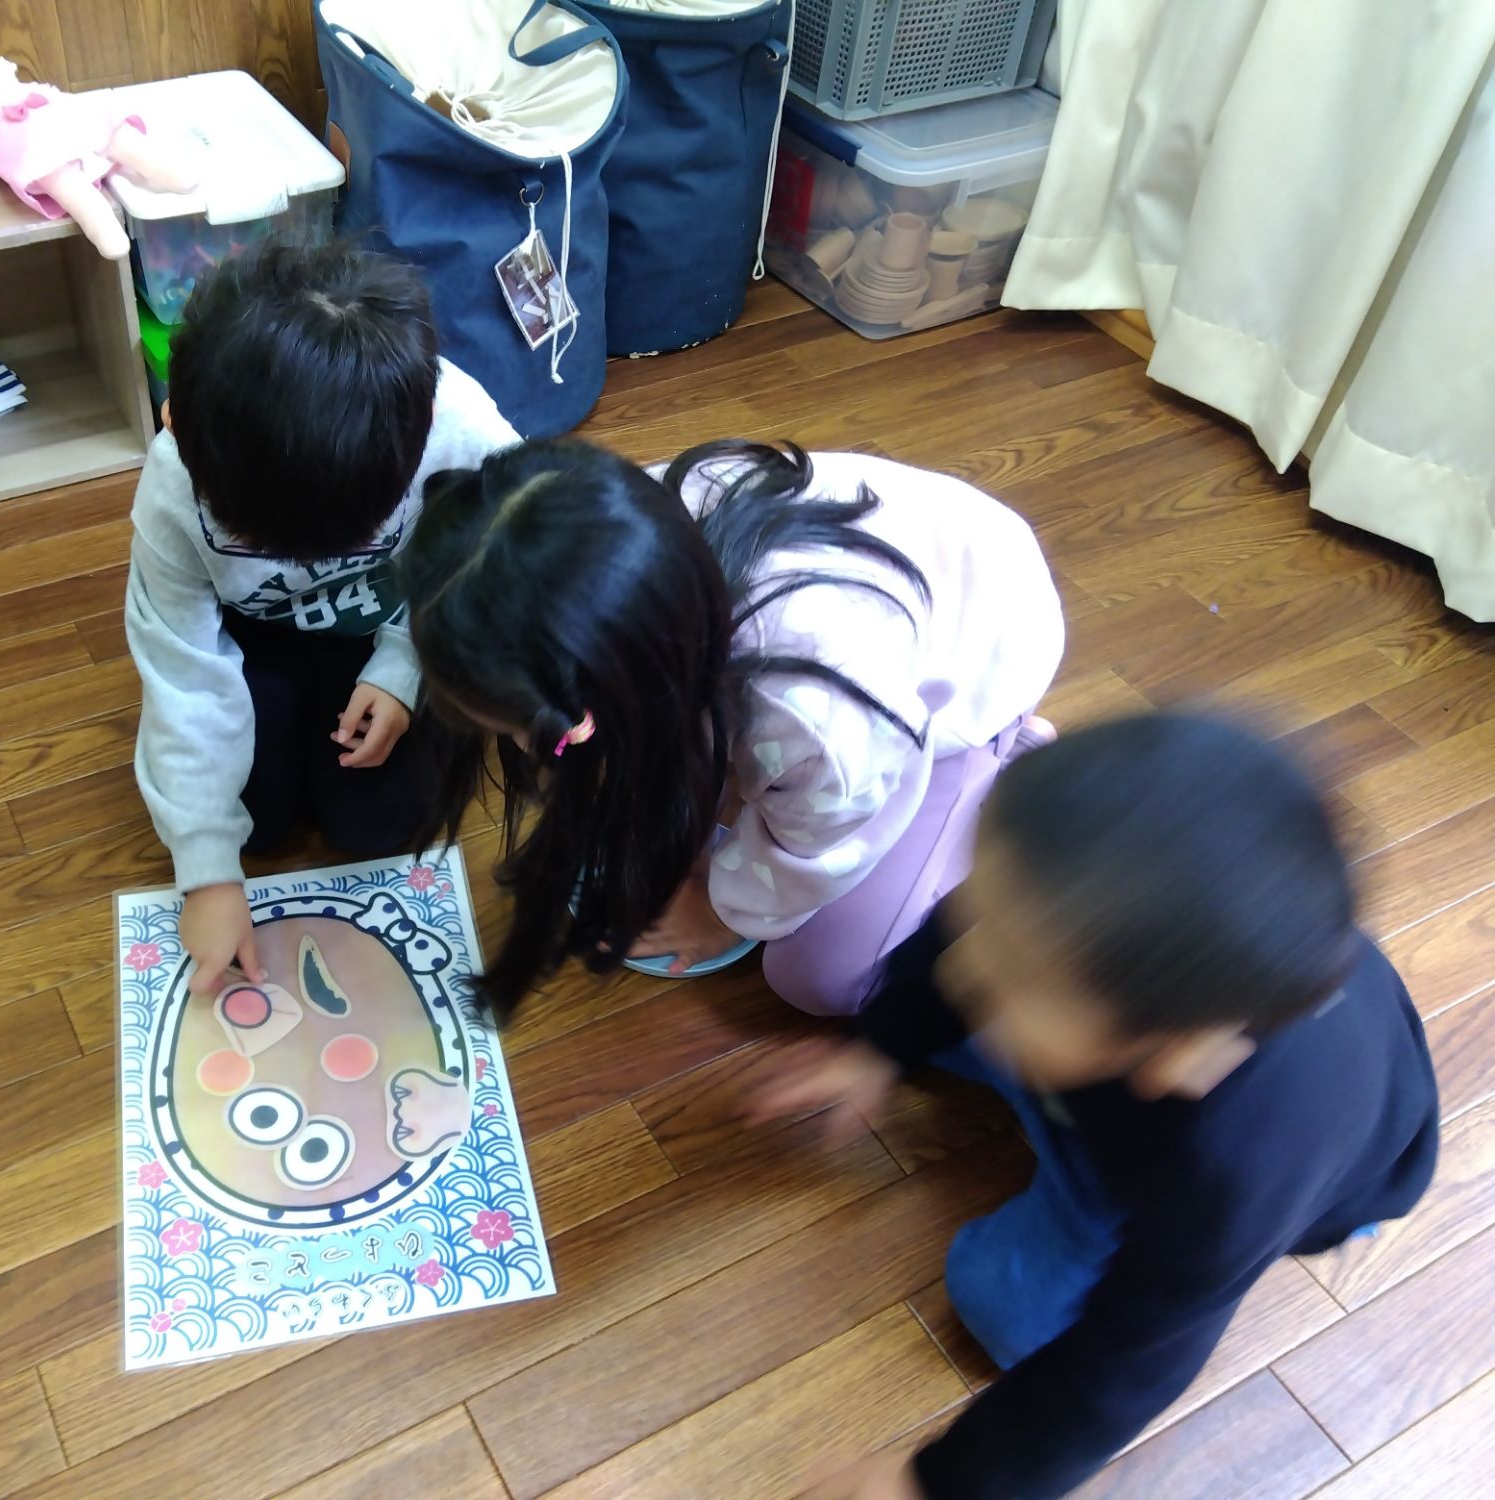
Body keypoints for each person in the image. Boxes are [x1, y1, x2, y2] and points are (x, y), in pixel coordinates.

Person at [754, 713, 1440, 1500]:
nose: (968, 959)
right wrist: (877, 1049)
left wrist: (934, 1484)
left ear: (1173, 1056)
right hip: (1104, 1069)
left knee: (1002, 1308)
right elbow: (962, 938)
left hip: (1187, 1178)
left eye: (1013, 970)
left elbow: (1127, 1365)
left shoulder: (1237, 1170)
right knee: (957, 997)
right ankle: (1031, 1056)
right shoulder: (1069, 912)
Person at [400, 437, 1063, 1018]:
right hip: (884, 599)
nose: (527, 750)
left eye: (532, 730)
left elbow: (828, 839)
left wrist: (724, 911)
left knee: (819, 978)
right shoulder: (584, 549)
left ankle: (1004, 763)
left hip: (976, 658)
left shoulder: (816, 713)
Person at [125, 241, 518, 997]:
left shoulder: (463, 432)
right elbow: (181, 669)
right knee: (254, 824)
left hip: (397, 618)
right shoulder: (178, 477)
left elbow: (483, 571)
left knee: (378, 826)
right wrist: (206, 871)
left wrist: (404, 667)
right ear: (174, 421)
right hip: (254, 640)